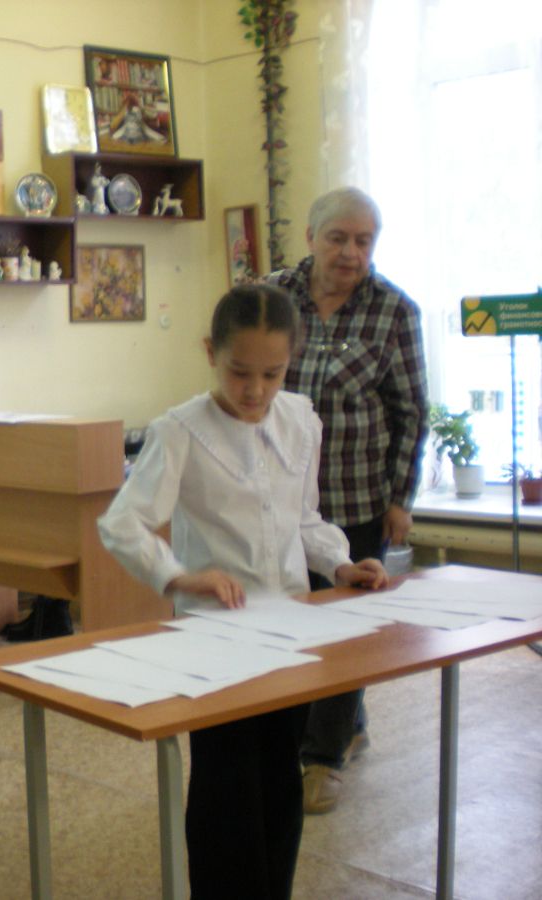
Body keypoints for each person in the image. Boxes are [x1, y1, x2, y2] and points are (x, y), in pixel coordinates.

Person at [98, 284, 388, 898]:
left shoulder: (300, 421)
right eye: (239, 372)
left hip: (289, 632)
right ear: (211, 353)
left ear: (291, 361)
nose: (255, 390)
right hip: (215, 637)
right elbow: (121, 524)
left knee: (280, 777)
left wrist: (340, 566)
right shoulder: (181, 430)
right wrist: (180, 576)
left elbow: (304, 519)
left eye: (272, 374)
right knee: (228, 785)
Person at [267, 187, 429, 815]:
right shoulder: (272, 296)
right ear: (311, 237)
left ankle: (322, 758)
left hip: (358, 494)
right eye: (338, 238)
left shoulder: (395, 310)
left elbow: (411, 412)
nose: (351, 253)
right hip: (283, 496)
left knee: (347, 630)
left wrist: (400, 499)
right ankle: (349, 723)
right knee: (301, 621)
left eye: (364, 241)